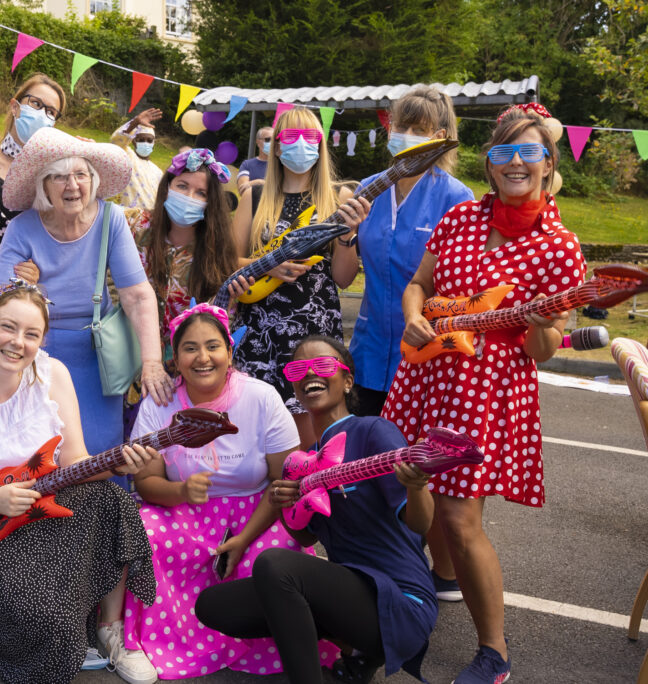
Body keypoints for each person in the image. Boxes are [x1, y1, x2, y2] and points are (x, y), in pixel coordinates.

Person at [382, 103, 586, 684]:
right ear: (490, 164)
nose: (515, 164)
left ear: (548, 163)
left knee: (458, 515)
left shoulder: (559, 246)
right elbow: (420, 284)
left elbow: (543, 351)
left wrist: (544, 321)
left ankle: (494, 653)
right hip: (428, 375)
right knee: (415, 496)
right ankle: (427, 592)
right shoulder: (460, 218)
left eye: (529, 153)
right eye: (503, 153)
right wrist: (414, 315)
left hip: (488, 391)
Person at [0, 280, 159, 684]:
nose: (18, 342)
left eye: (31, 334)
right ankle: (2, 616)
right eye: (8, 327)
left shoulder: (52, 375)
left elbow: (75, 461)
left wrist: (119, 464)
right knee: (51, 631)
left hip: (46, 508)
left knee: (113, 498)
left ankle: (109, 629)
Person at [195, 335, 437, 684]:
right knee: (214, 605)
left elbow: (419, 525)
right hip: (354, 592)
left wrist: (417, 487)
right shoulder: (306, 458)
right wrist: (284, 507)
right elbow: (307, 534)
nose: (311, 374)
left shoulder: (373, 432)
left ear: (347, 379)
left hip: (401, 599)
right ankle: (357, 654)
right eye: (299, 368)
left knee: (275, 564)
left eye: (323, 365)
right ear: (293, 384)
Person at [124, 303, 336, 679]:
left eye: (212, 346)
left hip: (258, 511)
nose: (202, 357)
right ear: (175, 357)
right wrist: (182, 492)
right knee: (146, 531)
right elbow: (145, 483)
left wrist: (244, 538)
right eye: (189, 348)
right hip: (184, 512)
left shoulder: (261, 398)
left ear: (230, 351)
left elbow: (283, 482)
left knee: (276, 557)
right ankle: (167, 643)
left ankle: (272, 645)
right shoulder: (160, 403)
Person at [0, 127, 173, 465]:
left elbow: (137, 296)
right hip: (34, 352)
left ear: (94, 180)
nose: (72, 186)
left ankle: (100, 517)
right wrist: (25, 288)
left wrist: (151, 363)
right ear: (43, 185)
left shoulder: (110, 219)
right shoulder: (22, 227)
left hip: (97, 354)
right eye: (59, 177)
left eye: (81, 174)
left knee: (100, 452)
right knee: (38, 452)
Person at [231, 106, 370, 447]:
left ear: (321, 146)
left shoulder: (338, 198)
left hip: (314, 333)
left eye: (310, 138)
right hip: (259, 334)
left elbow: (343, 277)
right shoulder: (256, 195)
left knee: (310, 440)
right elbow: (228, 262)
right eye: (290, 137)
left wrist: (348, 235)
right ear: (276, 147)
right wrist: (267, 265)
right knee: (256, 435)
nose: (300, 145)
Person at [348, 86, 474, 419]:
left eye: (419, 130)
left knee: (408, 464)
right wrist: (345, 234)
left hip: (425, 351)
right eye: (401, 127)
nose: (407, 136)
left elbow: (460, 285)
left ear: (440, 136)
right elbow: (344, 276)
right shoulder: (369, 189)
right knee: (362, 457)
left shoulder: (457, 199)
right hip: (368, 351)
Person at [128, 147, 239, 357]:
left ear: (210, 203)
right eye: (182, 186)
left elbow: (222, 318)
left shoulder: (217, 251)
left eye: (201, 193)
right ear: (167, 187)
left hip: (186, 363)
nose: (189, 197)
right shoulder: (136, 224)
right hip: (130, 354)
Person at [0, 73, 65, 273]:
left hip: (41, 283)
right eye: (36, 103)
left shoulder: (55, 174)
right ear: (15, 107)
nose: (42, 114)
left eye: (51, 112)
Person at [110, 108, 165, 212]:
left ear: (154, 143)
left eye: (149, 141)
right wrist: (134, 123)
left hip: (150, 221)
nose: (145, 143)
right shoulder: (127, 157)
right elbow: (116, 141)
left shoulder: (157, 171)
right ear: (134, 141)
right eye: (141, 140)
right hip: (128, 218)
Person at [236, 126, 273, 195]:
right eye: (268, 139)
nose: (271, 143)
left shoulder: (282, 163)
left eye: (274, 140)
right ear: (257, 141)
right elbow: (242, 189)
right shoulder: (247, 164)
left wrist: (257, 182)